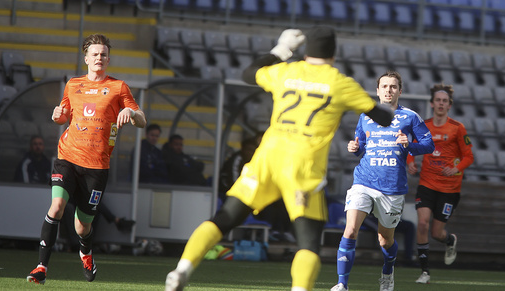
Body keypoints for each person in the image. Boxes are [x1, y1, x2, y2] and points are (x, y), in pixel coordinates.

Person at [165, 26, 394, 291]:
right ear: (333, 53)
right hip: (302, 166)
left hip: (267, 158)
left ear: (306, 50)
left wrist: (280, 51)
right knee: (308, 244)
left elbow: (248, 73)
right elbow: (383, 117)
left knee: (224, 218)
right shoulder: (339, 82)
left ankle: (182, 269)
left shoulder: (286, 72)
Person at [26, 34, 146, 285]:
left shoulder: (118, 87)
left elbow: (142, 120)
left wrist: (131, 112)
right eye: (95, 54)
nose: (99, 58)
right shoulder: (73, 84)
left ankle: (86, 253)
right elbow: (62, 116)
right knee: (56, 207)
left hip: (96, 166)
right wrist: (56, 114)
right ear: (86, 58)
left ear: (108, 59)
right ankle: (41, 268)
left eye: (103, 54)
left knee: (82, 226)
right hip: (67, 156)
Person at [330, 71, 434, 291]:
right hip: (364, 181)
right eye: (384, 86)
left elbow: (429, 144)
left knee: (385, 240)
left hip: (392, 187)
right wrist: (355, 148)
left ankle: (388, 270)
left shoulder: (411, 117)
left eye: (393, 86)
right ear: (377, 91)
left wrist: (410, 144)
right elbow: (363, 146)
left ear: (400, 91)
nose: (389, 90)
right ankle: (342, 284)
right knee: (350, 230)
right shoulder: (365, 116)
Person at [407, 84, 474, 284]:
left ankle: (449, 240)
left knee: (437, 233)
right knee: (422, 223)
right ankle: (425, 272)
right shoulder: (423, 126)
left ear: (449, 105)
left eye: (445, 101)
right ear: (432, 103)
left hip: (449, 189)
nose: (441, 104)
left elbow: (468, 156)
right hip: (427, 183)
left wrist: (456, 168)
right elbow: (411, 149)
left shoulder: (457, 128)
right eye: (438, 100)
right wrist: (411, 163)